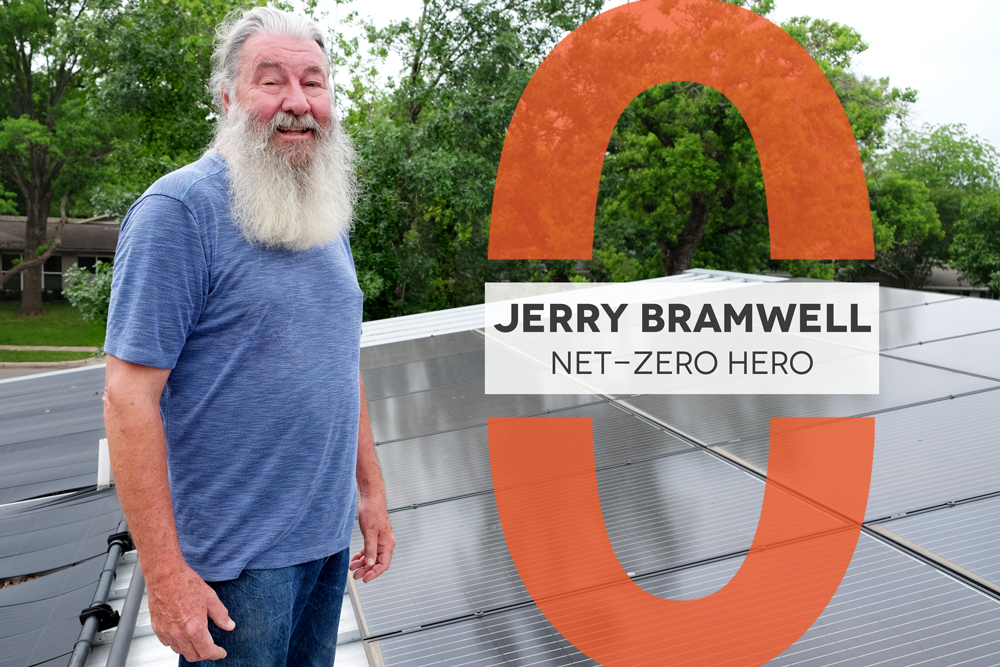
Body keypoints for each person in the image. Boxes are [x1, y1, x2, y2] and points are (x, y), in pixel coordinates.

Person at [102, 6, 394, 664]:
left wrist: (371, 493)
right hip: (238, 567)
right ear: (229, 96)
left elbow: (339, 362)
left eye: (314, 83)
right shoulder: (178, 212)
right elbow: (128, 398)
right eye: (272, 81)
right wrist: (167, 576)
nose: (298, 102)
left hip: (325, 545)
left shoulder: (323, 211)